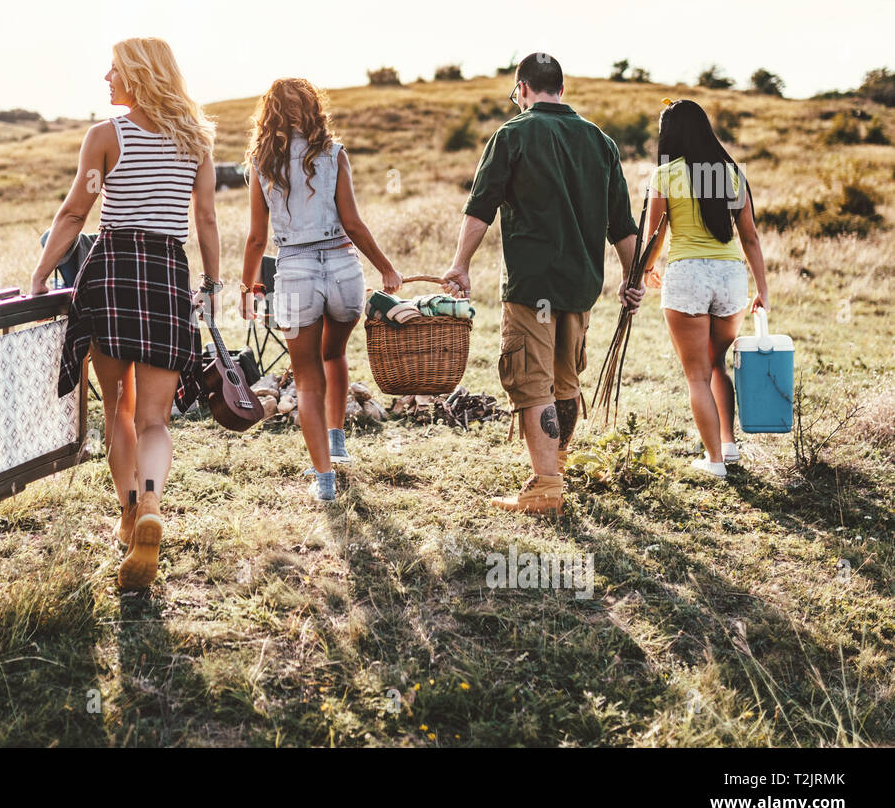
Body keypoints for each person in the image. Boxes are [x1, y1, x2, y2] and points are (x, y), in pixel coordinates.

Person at [31, 37, 219, 590]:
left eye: (112, 70)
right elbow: (205, 219)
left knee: (117, 408)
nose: (104, 78)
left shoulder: (105, 137)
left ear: (136, 75)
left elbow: (74, 212)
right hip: (166, 272)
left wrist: (41, 274)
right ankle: (154, 501)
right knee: (155, 419)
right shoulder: (196, 140)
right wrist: (210, 282)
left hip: (113, 270)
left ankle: (130, 510)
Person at [441, 53, 643, 516]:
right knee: (566, 382)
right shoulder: (601, 142)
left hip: (533, 286)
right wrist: (634, 281)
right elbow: (623, 225)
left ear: (523, 88)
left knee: (533, 384)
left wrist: (460, 264)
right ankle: (559, 466)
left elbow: (480, 208)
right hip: (579, 285)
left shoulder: (512, 135)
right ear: (561, 90)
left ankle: (545, 488)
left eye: (516, 94)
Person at [240, 79, 401, 500]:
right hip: (345, 269)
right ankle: (337, 440)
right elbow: (354, 223)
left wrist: (247, 286)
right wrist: (386, 268)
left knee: (308, 380)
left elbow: (257, 238)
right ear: (313, 109)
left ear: (269, 114)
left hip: (295, 272)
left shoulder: (262, 162)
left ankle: (325, 482)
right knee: (335, 354)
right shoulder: (333, 153)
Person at [639, 98, 769, 478]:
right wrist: (762, 290)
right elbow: (751, 238)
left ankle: (714, 462)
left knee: (697, 375)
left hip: (688, 278)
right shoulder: (730, 173)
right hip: (731, 278)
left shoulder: (664, 175)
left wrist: (645, 270)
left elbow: (654, 235)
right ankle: (728, 447)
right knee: (717, 364)